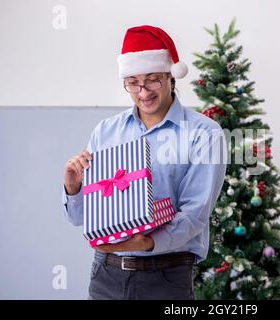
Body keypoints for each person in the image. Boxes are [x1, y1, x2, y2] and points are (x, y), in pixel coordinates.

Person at [61, 25, 227, 300]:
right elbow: (79, 218)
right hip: (105, 275)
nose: (143, 91)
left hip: (166, 278)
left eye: (153, 79)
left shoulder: (205, 133)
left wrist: (148, 242)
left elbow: (195, 213)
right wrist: (73, 187)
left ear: (171, 77)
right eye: (133, 81)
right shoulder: (106, 131)